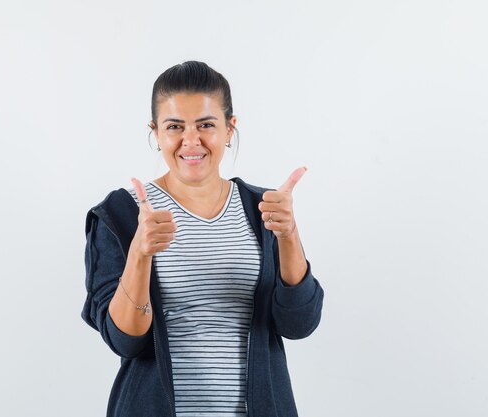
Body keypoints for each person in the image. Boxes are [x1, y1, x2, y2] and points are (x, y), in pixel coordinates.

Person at [81, 61, 324, 417]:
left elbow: (299, 324)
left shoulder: (265, 209)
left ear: (229, 128)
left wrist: (288, 234)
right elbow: (125, 341)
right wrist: (140, 253)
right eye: (174, 126)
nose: (190, 141)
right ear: (156, 132)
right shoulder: (121, 214)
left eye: (206, 125)